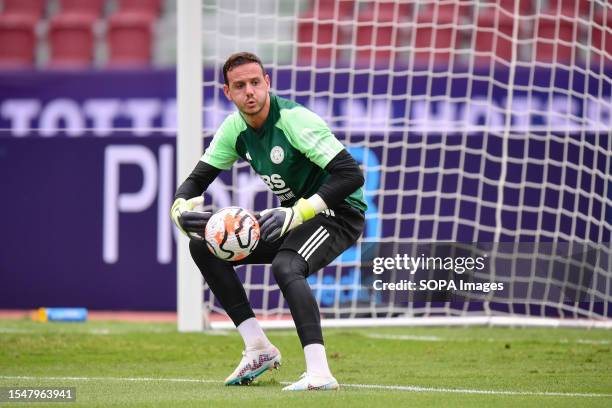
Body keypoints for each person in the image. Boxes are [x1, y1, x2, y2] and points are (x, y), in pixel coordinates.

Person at [170, 52, 366, 391]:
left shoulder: (294, 120)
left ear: (268, 84)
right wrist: (178, 210)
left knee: (286, 266)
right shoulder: (234, 129)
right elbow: (194, 182)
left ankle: (320, 373)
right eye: (240, 85)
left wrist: (297, 212)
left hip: (337, 213)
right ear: (227, 92)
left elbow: (350, 175)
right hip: (293, 216)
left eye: (255, 83)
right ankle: (258, 348)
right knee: (202, 245)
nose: (250, 91)